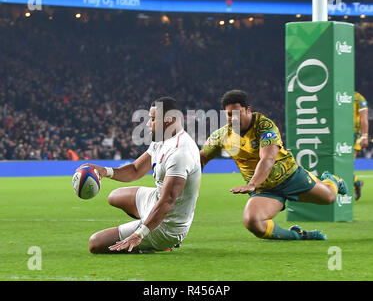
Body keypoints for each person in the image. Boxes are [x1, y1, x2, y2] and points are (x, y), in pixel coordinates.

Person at [200, 89, 347, 241]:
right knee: (253, 222)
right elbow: (200, 159)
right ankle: (298, 235)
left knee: (329, 197)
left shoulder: (265, 126)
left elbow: (268, 159)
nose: (234, 118)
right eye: (229, 114)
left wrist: (252, 183)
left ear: (248, 110)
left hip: (291, 177)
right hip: (265, 190)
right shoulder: (222, 135)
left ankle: (332, 180)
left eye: (238, 113)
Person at [85, 97, 201, 253]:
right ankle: (146, 222)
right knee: (114, 196)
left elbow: (168, 201)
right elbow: (135, 169)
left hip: (168, 224)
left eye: (152, 119)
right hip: (156, 200)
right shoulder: (162, 138)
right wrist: (105, 171)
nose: (147, 124)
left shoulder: (180, 152)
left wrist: (139, 234)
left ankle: (158, 242)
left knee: (95, 243)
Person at [353, 91, 369, 201]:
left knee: (346, 165)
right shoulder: (334, 93)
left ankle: (356, 183)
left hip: (352, 134)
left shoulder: (358, 97)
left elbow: (364, 116)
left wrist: (364, 135)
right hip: (336, 133)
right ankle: (356, 182)